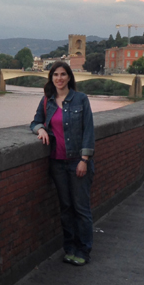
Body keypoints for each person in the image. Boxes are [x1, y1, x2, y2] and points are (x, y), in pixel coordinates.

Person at [31, 61, 95, 266]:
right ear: (51, 78)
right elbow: (34, 121)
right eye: (55, 75)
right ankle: (70, 248)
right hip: (57, 163)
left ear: (69, 77)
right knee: (66, 208)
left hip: (77, 161)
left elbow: (89, 131)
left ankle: (83, 250)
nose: (59, 78)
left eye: (63, 74)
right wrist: (40, 129)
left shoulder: (81, 99)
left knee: (81, 208)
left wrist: (84, 160)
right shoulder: (47, 101)